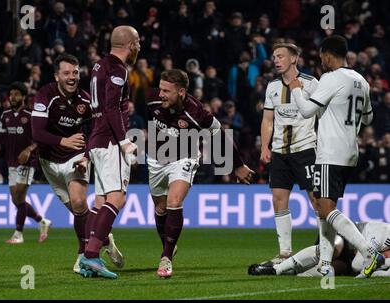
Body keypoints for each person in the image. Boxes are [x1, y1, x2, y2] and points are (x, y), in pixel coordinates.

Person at [289, 35, 385, 277]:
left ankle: (369, 252)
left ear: (329, 55)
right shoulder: (360, 80)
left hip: (330, 152)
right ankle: (324, 265)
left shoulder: (331, 78)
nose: (321, 60)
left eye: (322, 56)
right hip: (350, 151)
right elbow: (368, 118)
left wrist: (297, 90)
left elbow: (306, 110)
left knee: (326, 208)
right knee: (325, 211)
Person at [146, 69, 254, 278]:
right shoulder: (152, 99)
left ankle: (166, 257)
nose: (161, 94)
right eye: (160, 89)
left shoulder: (197, 113)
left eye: (166, 91)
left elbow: (220, 135)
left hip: (184, 157)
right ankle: (169, 244)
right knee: (160, 208)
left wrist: (238, 165)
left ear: (181, 92)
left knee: (174, 201)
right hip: (156, 158)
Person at [31, 53, 122, 274]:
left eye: (75, 72)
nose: (72, 77)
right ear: (57, 76)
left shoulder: (85, 100)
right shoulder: (45, 95)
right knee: (78, 212)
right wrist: (63, 140)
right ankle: (102, 238)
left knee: (79, 200)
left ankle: (83, 254)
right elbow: (36, 132)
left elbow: (96, 131)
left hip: (76, 156)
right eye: (66, 73)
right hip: (49, 162)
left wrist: (87, 156)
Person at [74, 26, 141, 279]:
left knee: (100, 202)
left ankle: (86, 257)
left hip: (98, 140)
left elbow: (98, 110)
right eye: (139, 42)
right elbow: (112, 107)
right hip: (111, 141)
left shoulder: (98, 66)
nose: (140, 47)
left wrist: (89, 150)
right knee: (117, 198)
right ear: (131, 44)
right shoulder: (117, 69)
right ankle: (91, 256)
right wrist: (124, 141)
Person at [260, 43, 319, 265]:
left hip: (306, 150)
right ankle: (285, 252)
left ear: (294, 58)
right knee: (278, 200)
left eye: (281, 56)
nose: (276, 60)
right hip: (279, 152)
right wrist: (265, 147)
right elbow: (267, 120)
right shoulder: (272, 86)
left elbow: (322, 115)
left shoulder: (312, 84)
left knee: (318, 201)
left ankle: (325, 248)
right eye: (274, 56)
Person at [0, 82, 51, 244]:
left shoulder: (31, 114)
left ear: (23, 97)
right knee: (16, 200)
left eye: (16, 94)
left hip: (28, 162)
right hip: (11, 162)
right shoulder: (5, 115)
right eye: (11, 94)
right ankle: (41, 221)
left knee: (20, 197)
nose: (13, 97)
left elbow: (41, 137)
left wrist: (29, 149)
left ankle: (18, 234)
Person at [248, 221, 390, 277]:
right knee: (333, 249)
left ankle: (288, 271)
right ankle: (276, 269)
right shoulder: (381, 232)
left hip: (351, 258)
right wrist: (381, 263)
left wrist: (381, 265)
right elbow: (358, 265)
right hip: (346, 238)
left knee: (329, 271)